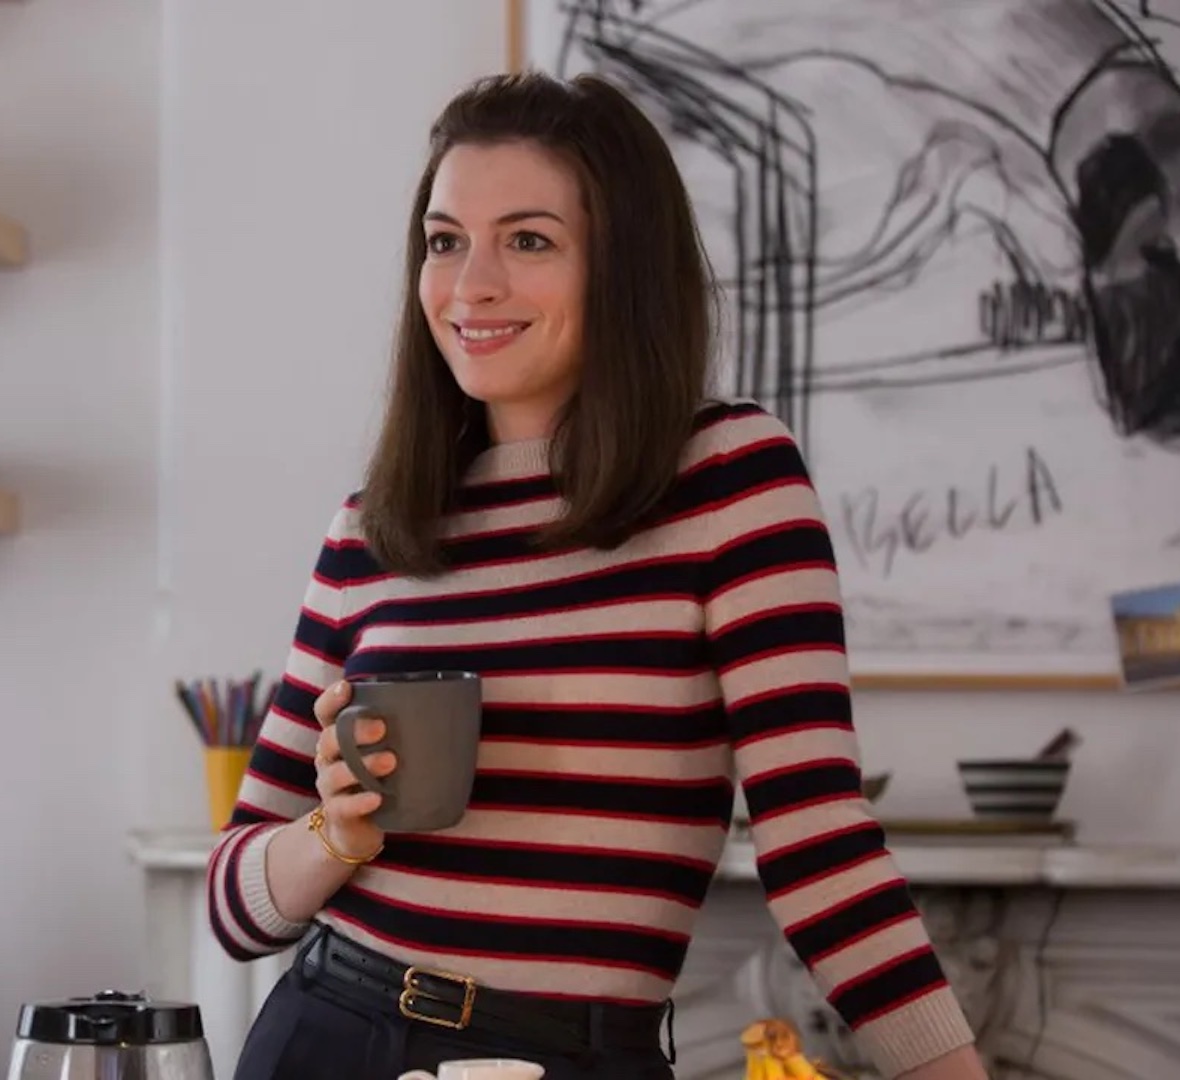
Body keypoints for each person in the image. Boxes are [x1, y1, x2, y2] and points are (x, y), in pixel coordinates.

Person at [205, 71, 988, 1080]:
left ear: (621, 269)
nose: (470, 283)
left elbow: (819, 843)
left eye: (528, 239)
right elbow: (235, 905)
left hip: (575, 1059)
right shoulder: (370, 529)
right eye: (445, 241)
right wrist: (335, 831)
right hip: (332, 1032)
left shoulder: (729, 480)